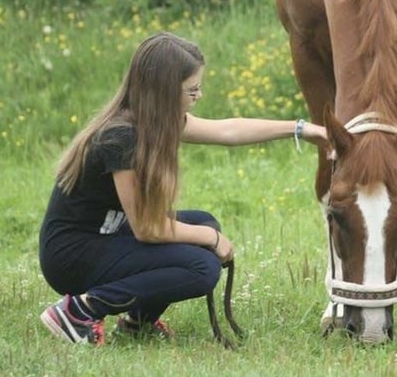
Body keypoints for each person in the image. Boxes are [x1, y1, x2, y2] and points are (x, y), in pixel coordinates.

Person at [39, 32, 326, 346]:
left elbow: (229, 130)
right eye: (192, 89)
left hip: (106, 237)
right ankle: (80, 310)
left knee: (203, 221)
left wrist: (302, 129)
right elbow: (147, 228)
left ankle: (138, 322)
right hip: (72, 256)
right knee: (202, 267)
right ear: (163, 91)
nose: (199, 95)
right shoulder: (120, 138)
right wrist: (212, 239)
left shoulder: (153, 120)